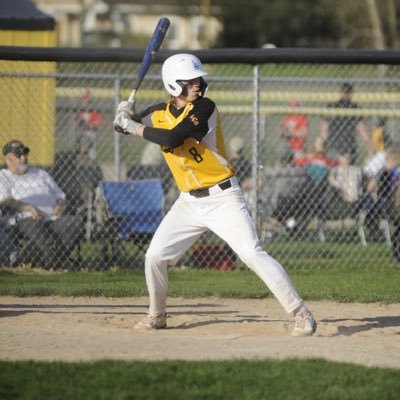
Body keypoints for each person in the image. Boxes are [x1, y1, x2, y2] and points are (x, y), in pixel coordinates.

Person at [113, 53, 317, 336]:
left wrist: (132, 125)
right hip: (188, 202)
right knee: (155, 257)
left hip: (223, 198)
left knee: (251, 252)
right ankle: (157, 315)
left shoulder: (205, 107)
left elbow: (172, 138)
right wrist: (124, 113)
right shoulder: (156, 112)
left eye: (198, 79)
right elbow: (125, 126)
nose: (198, 84)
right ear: (174, 85)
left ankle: (301, 313)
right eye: (190, 81)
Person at [0, 140, 84, 268]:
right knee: (33, 224)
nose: (24, 157)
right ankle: (51, 262)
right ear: (8, 160)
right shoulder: (4, 176)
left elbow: (60, 195)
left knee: (76, 222)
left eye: (25, 153)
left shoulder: (40, 173)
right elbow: (4, 200)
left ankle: (50, 260)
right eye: (19, 155)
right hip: (25, 220)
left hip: (52, 219)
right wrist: (28, 208)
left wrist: (61, 205)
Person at [319, 82, 370, 165]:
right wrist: (324, 144)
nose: (346, 94)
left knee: (342, 169)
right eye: (344, 92)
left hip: (346, 146)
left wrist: (369, 144)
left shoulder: (354, 107)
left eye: (347, 92)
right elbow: (324, 128)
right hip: (336, 145)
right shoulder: (333, 106)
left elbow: (361, 128)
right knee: (342, 169)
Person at [279, 99, 309, 163]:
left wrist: (290, 133)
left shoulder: (302, 117)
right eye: (290, 106)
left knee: (298, 166)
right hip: (288, 147)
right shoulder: (287, 117)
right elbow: (281, 132)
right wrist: (284, 133)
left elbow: (303, 133)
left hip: (298, 148)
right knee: (283, 155)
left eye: (295, 106)